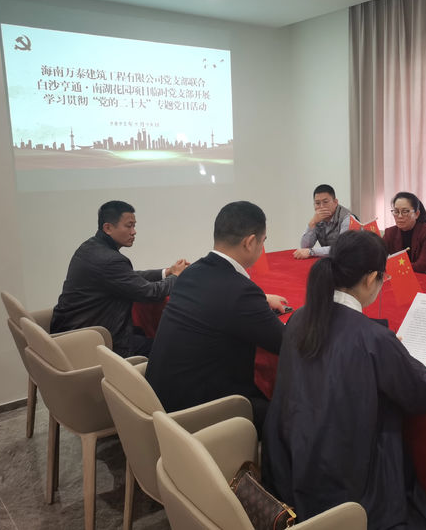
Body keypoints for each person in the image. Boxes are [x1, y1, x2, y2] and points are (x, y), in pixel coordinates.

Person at [263, 231, 426, 529]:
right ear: (370, 279)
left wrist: (385, 346)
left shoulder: (300, 317)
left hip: (292, 463)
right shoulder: (373, 338)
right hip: (348, 483)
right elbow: (424, 393)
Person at [145, 201, 288, 433]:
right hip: (197, 414)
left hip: (159, 402)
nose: (262, 248)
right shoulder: (240, 291)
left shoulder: (192, 272)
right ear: (250, 242)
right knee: (295, 416)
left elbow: (219, 299)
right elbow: (286, 342)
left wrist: (260, 298)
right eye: (263, 241)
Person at [51, 200, 188, 357]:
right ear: (108, 228)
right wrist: (176, 276)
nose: (134, 232)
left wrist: (167, 272)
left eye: (134, 226)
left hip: (72, 331)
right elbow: (150, 293)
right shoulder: (109, 259)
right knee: (173, 349)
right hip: (92, 342)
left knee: (145, 335)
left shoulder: (89, 247)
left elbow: (127, 277)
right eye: (129, 226)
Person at [382, 192, 426, 276]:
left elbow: (422, 267)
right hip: (403, 277)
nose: (400, 216)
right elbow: (379, 258)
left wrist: (391, 266)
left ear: (416, 214)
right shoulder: (390, 232)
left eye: (405, 211)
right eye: (396, 211)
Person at [293, 184, 352, 259]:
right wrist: (312, 223)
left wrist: (311, 252)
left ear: (335, 202)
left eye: (325, 202)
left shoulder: (347, 218)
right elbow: (305, 247)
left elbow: (340, 248)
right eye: (317, 203)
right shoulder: (317, 219)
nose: (321, 206)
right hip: (329, 260)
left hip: (349, 261)